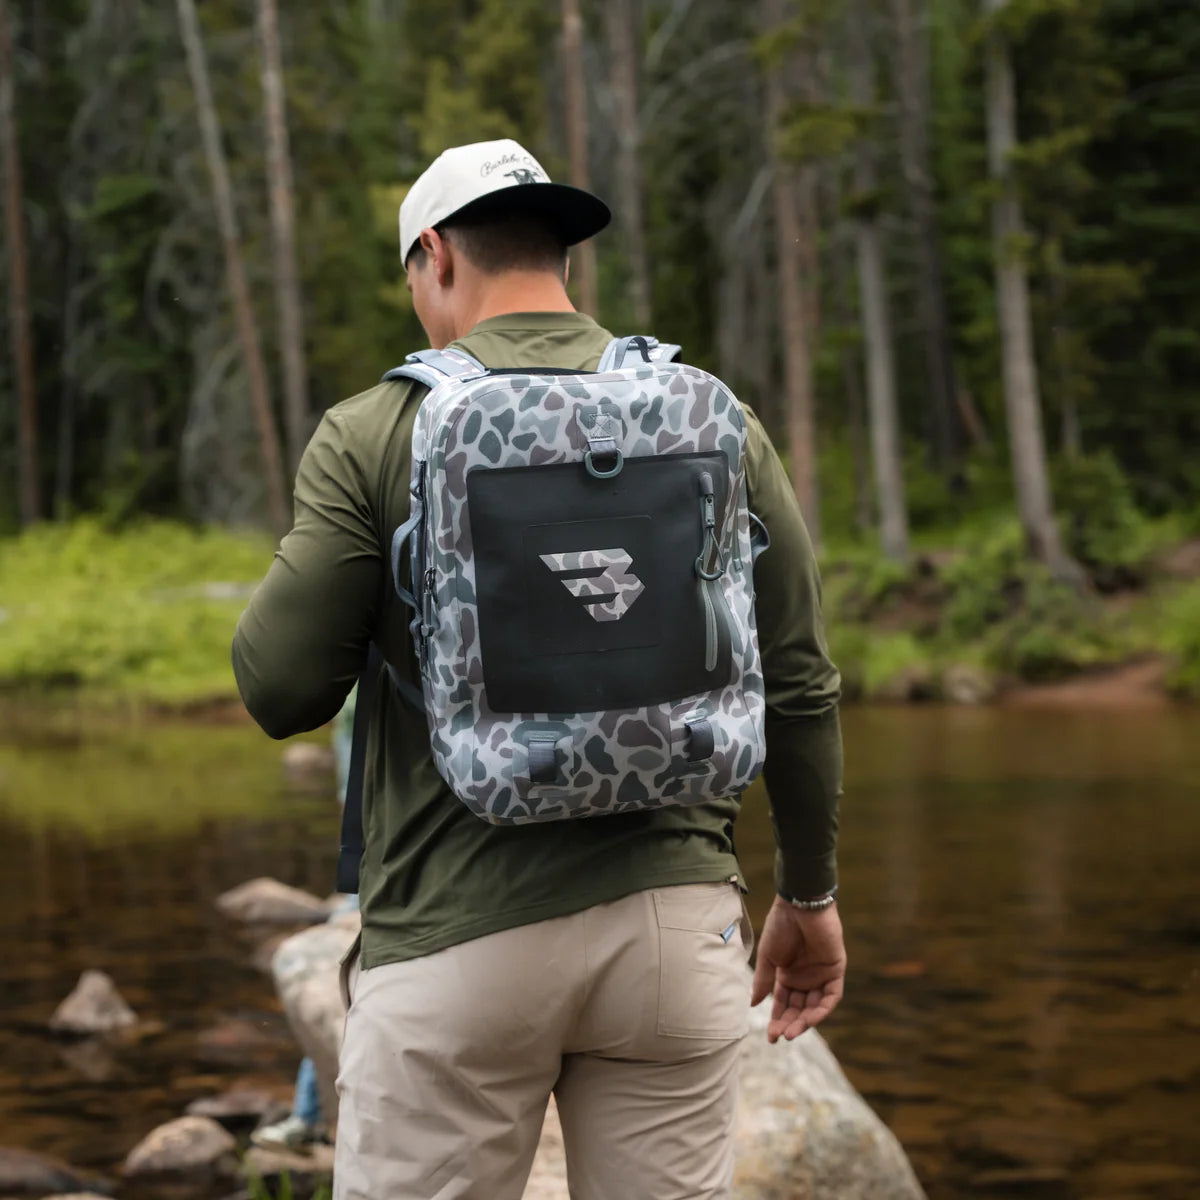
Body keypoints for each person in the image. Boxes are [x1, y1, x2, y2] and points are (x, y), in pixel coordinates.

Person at [232, 138, 845, 1200]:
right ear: (559, 254)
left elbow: (280, 690)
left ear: (436, 256)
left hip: (454, 941)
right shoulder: (711, 418)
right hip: (674, 936)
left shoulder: (378, 430)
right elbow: (798, 681)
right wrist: (810, 894)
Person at [252, 685, 358, 1151]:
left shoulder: (362, 684)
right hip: (384, 843)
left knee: (339, 984)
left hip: (387, 848)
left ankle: (309, 1115)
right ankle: (310, 1113)